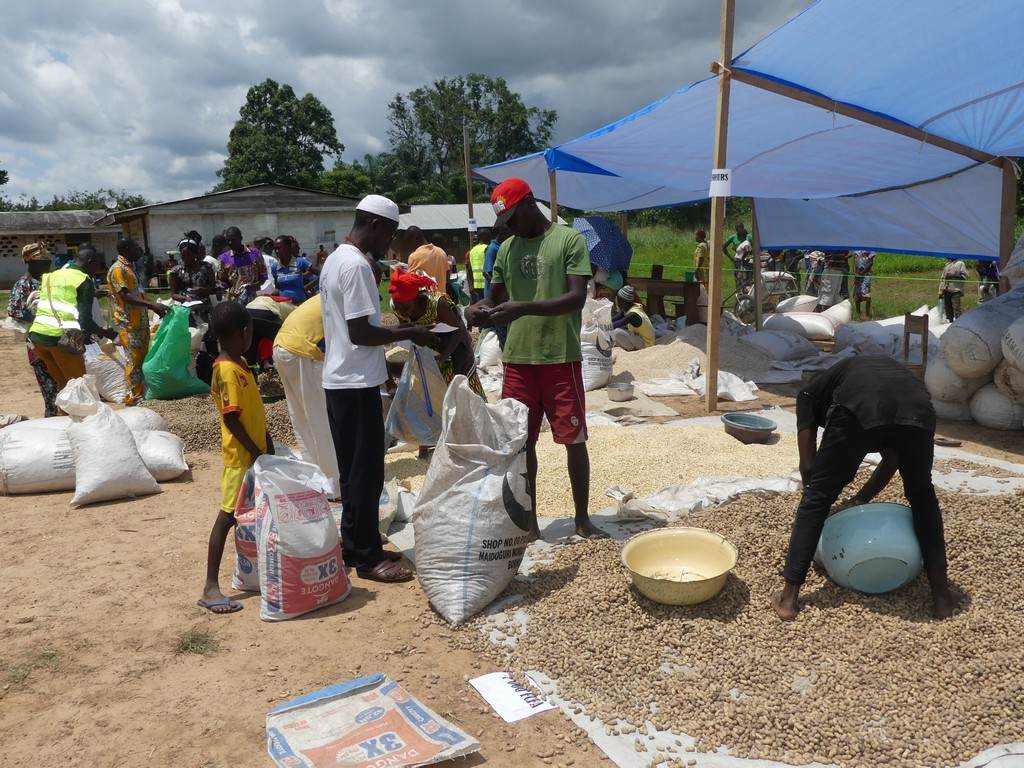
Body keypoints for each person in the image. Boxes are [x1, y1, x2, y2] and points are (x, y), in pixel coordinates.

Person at [465, 177, 608, 542]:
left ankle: (581, 519)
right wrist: (476, 310)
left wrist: (524, 307)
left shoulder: (567, 240)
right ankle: (529, 523)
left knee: (573, 438)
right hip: (518, 360)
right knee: (521, 443)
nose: (509, 227)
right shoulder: (507, 248)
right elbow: (492, 297)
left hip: (559, 356)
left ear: (530, 203)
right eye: (504, 223)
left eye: (512, 218)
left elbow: (577, 297)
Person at [770, 356, 958, 622]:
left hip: (861, 403)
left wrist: (814, 496)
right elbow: (893, 457)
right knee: (922, 495)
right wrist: (858, 499)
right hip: (917, 407)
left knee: (817, 498)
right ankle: (942, 597)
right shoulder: (867, 373)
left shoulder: (807, 395)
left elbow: (809, 467)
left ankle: (788, 599)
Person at [320, 194, 439, 583]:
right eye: (389, 232)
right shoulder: (354, 265)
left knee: (354, 472)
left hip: (342, 379)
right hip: (354, 382)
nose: (390, 241)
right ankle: (369, 559)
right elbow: (360, 331)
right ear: (373, 225)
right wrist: (412, 332)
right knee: (366, 473)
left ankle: (357, 546)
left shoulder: (336, 259)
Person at [197, 300, 274, 614]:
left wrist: (266, 442)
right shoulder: (227, 370)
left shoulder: (242, 364)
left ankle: (261, 572)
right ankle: (210, 587)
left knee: (256, 515)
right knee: (226, 518)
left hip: (254, 456)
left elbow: (253, 411)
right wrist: (256, 452)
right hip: (241, 460)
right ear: (244, 332)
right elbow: (231, 418)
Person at [272, 294, 340, 497]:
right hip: (302, 351)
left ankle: (316, 481)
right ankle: (335, 487)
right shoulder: (347, 296)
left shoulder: (327, 292)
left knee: (303, 420)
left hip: (281, 347)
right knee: (321, 421)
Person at [28, 244, 118, 392]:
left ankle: (62, 414)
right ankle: (83, 415)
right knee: (80, 388)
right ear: (90, 262)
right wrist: (110, 334)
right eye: (97, 265)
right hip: (59, 340)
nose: (97, 270)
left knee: (64, 386)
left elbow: (60, 300)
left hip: (37, 338)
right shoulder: (83, 280)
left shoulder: (52, 275)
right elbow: (86, 322)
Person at [107, 237, 169, 406]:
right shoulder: (118, 269)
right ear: (126, 248)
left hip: (139, 321)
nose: (139, 249)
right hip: (128, 323)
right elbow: (125, 296)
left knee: (141, 359)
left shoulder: (130, 268)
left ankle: (140, 393)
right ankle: (133, 397)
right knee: (134, 361)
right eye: (136, 247)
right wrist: (151, 304)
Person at [8, 243, 59, 416]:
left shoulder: (48, 280)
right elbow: (16, 312)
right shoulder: (23, 285)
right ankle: (51, 420)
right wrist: (45, 318)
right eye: (44, 263)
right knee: (51, 390)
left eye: (49, 262)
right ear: (32, 262)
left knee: (61, 385)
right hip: (38, 343)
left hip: (56, 339)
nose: (48, 266)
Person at [219, 226, 267, 305]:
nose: (230, 242)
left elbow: (263, 276)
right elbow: (222, 281)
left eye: (232, 239)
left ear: (241, 238)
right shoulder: (224, 258)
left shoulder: (255, 253)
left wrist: (254, 285)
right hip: (235, 302)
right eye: (228, 240)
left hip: (255, 300)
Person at [269, 235, 316, 304]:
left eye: (279, 248)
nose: (276, 251)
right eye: (275, 249)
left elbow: (321, 274)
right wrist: (269, 296)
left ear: (288, 247)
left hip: (299, 303)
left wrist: (305, 288)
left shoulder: (301, 262)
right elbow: (278, 288)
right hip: (283, 305)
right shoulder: (274, 267)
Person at [611, 285, 655, 350]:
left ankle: (632, 350)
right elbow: (614, 319)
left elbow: (614, 325)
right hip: (639, 339)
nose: (617, 303)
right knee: (613, 337)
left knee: (616, 332)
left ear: (622, 301)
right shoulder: (630, 307)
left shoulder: (633, 315)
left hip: (646, 345)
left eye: (618, 300)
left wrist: (599, 326)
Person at [405, 226, 449, 292]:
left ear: (416, 238)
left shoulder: (414, 257)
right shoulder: (441, 252)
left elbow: (411, 284)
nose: (409, 246)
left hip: (425, 300)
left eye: (409, 242)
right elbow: (447, 278)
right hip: (442, 299)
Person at [939, 257, 970, 323]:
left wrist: (953, 276)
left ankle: (959, 322)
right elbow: (943, 279)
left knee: (956, 307)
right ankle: (950, 322)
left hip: (955, 289)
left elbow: (965, 276)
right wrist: (940, 291)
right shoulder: (947, 264)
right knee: (948, 307)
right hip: (946, 289)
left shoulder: (960, 264)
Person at [852, 250, 875, 320]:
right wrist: (855, 274)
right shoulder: (856, 250)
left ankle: (867, 315)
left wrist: (862, 273)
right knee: (856, 294)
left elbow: (871, 263)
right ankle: (858, 313)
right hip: (858, 275)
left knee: (866, 294)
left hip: (865, 274)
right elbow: (855, 262)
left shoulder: (870, 249)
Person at [467, 229, 489, 301]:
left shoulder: (472, 251)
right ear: (486, 237)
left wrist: (471, 287)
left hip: (477, 285)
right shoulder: (488, 248)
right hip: (487, 283)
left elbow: (469, 270)